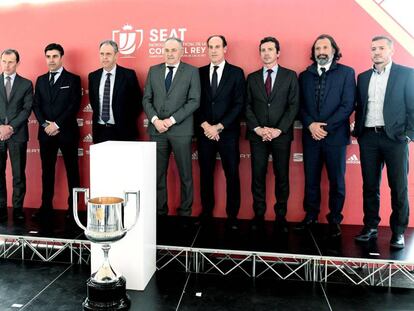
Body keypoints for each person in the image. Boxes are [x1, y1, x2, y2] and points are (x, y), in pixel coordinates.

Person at [353, 35, 414, 249]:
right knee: (370, 186)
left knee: (398, 187)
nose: (376, 52)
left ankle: (398, 232)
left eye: (380, 48)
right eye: (373, 48)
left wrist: (408, 134)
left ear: (391, 51)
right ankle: (370, 227)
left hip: (395, 139)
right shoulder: (362, 77)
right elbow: (360, 107)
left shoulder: (406, 74)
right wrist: (359, 131)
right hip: (368, 137)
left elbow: (412, 106)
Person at [297, 34, 356, 237]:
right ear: (313, 53)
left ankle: (334, 219)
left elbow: (348, 104)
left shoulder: (347, 73)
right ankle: (311, 216)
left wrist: (325, 127)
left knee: (336, 180)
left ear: (333, 50)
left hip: (336, 137)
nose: (321, 51)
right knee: (311, 179)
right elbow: (300, 106)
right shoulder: (304, 75)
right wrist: (311, 125)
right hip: (311, 136)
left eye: (325, 47)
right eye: (317, 48)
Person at [245, 37, 299, 232]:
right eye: (263, 50)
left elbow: (294, 106)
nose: (266, 53)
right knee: (258, 175)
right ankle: (258, 215)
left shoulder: (290, 76)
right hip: (257, 135)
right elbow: (247, 106)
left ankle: (280, 216)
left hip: (281, 136)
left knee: (281, 176)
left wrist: (278, 130)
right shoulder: (251, 78)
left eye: (270, 49)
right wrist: (258, 129)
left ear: (278, 53)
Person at [143, 37, 200, 218]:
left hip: (181, 130)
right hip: (157, 131)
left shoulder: (191, 72)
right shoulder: (153, 71)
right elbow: (146, 99)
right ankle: (160, 212)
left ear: (181, 52)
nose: (170, 53)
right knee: (157, 174)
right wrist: (155, 120)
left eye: (174, 50)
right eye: (167, 50)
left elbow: (194, 101)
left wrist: (171, 120)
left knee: (185, 175)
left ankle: (185, 212)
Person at [195, 35, 245, 229]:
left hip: (228, 133)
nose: (213, 50)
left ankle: (232, 215)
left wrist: (220, 126)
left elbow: (239, 104)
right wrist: (206, 126)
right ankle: (206, 212)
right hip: (205, 133)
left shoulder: (236, 73)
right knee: (205, 174)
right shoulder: (198, 73)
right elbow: (194, 102)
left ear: (225, 48)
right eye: (210, 47)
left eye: (217, 46)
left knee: (232, 174)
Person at [32, 43, 81, 220]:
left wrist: (57, 124)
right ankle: (46, 207)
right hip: (46, 133)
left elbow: (73, 105)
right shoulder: (41, 80)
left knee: (72, 170)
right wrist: (46, 125)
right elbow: (36, 105)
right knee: (47, 171)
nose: (51, 60)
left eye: (54, 56)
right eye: (48, 56)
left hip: (66, 131)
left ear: (61, 57)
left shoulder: (73, 79)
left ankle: (73, 209)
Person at [0, 49, 33, 223]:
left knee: (18, 174)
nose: (7, 65)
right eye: (4, 61)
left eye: (11, 62)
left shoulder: (26, 84)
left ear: (18, 63)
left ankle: (18, 208)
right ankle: (1, 207)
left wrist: (10, 127)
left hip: (18, 134)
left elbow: (26, 110)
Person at [88, 40, 142, 143]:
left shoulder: (128, 75)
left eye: (108, 54)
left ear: (116, 55)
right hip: (100, 130)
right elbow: (94, 101)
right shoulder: (93, 76)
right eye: (102, 54)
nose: (104, 57)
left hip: (123, 131)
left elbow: (137, 102)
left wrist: (124, 120)